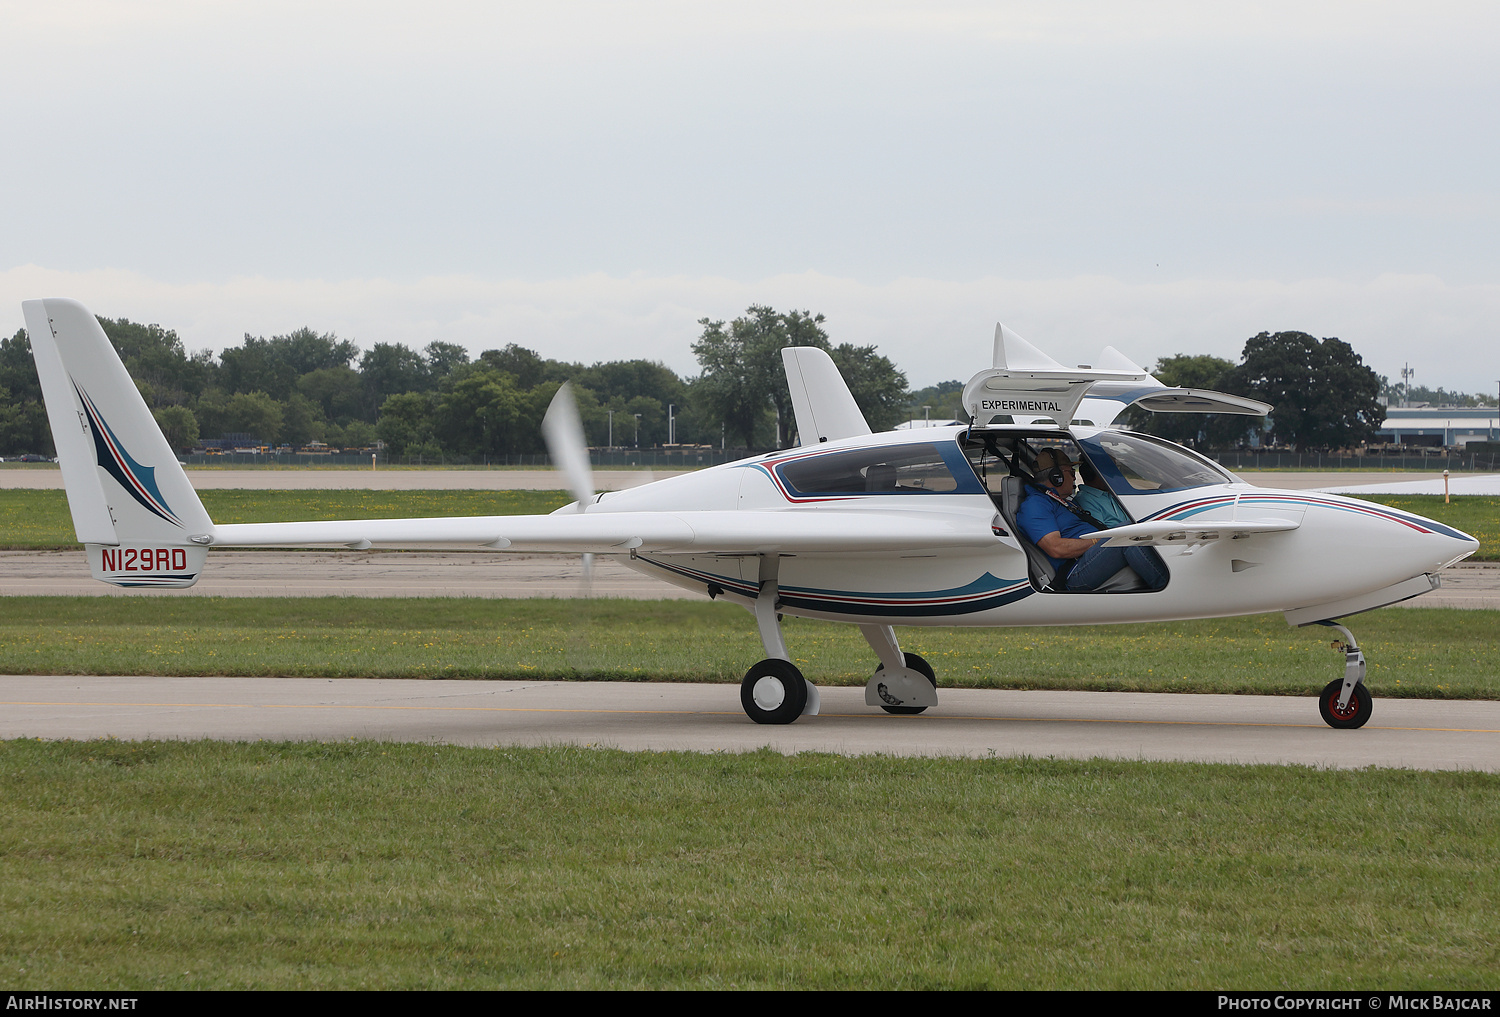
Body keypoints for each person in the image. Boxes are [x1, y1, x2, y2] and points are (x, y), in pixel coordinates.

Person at [1015, 448, 1167, 592]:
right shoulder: (1036, 505)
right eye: (1070, 471)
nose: (1075, 476)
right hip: (1074, 572)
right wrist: (1098, 541)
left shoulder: (1062, 501)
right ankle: (1166, 588)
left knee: (1132, 530)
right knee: (1126, 535)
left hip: (1088, 559)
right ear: (1056, 477)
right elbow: (1056, 548)